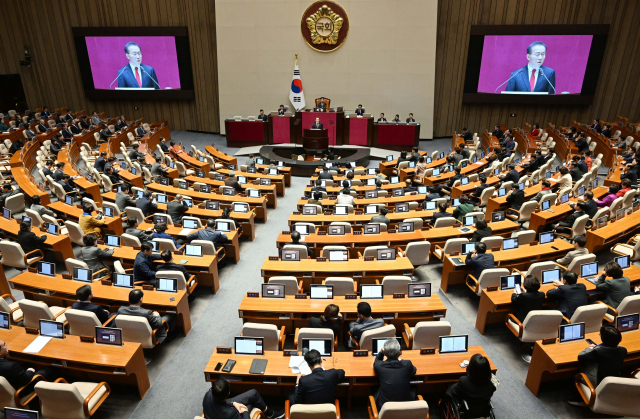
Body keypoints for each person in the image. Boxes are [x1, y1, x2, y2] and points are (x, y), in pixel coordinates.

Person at [570, 326, 627, 406]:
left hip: (596, 382)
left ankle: (581, 399)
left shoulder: (598, 351)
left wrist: (589, 348)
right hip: (613, 379)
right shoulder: (623, 350)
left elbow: (581, 357)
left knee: (576, 376)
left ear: (603, 338)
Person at [203, 377, 283, 419]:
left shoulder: (208, 395)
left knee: (253, 394)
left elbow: (219, 401)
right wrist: (245, 411)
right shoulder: (230, 414)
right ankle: (270, 415)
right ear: (228, 393)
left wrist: (233, 403)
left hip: (219, 409)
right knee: (252, 402)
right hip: (227, 413)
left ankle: (269, 413)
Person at [373, 338, 417, 410]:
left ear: (385, 353)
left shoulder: (379, 365)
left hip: (385, 407)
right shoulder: (407, 364)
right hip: (406, 406)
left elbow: (377, 360)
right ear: (399, 352)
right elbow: (414, 370)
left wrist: (381, 352)